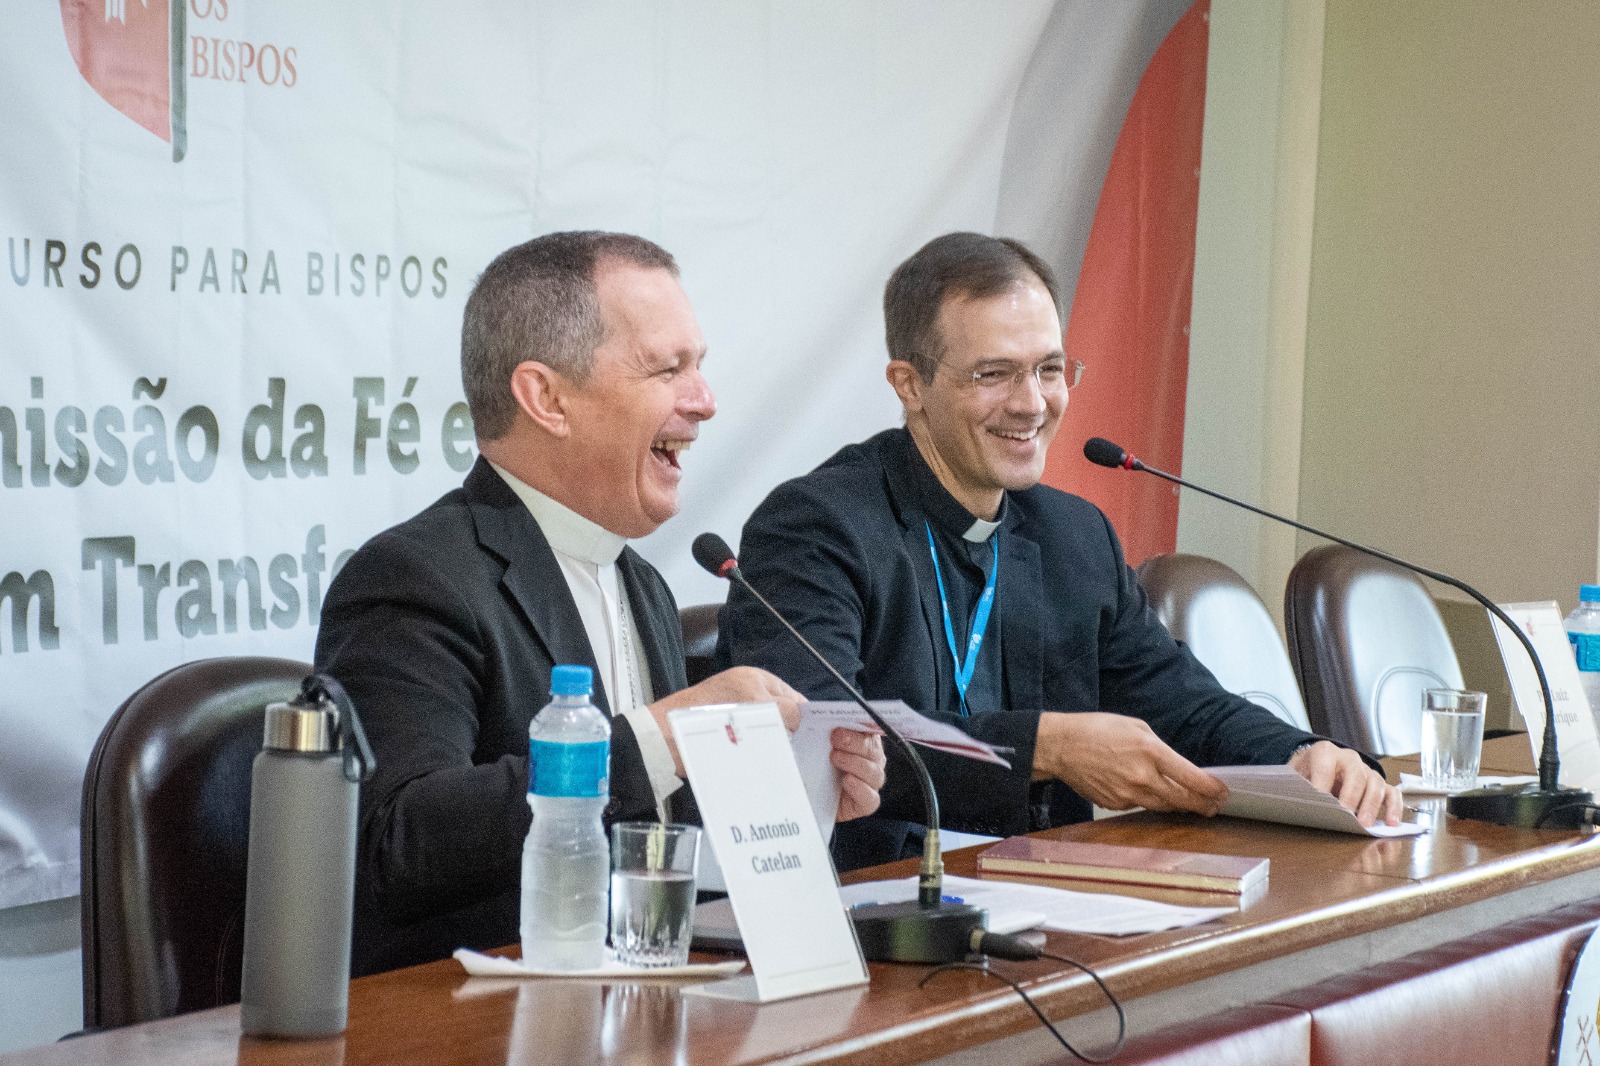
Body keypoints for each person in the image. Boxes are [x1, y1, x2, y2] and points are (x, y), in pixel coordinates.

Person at [716, 231, 1399, 871]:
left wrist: (1305, 755)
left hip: (1048, 898)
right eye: (994, 374)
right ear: (910, 385)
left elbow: (1183, 705)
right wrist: (1048, 747)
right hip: (876, 901)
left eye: (1049, 369)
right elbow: (818, 738)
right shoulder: (815, 526)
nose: (1032, 403)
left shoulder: (1073, 534)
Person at [315, 231, 886, 974]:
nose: (705, 401)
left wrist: (795, 800)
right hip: (473, 1011)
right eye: (668, 369)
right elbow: (399, 844)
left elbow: (643, 835)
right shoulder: (414, 577)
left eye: (699, 366)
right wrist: (666, 736)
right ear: (547, 398)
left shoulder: (640, 581)